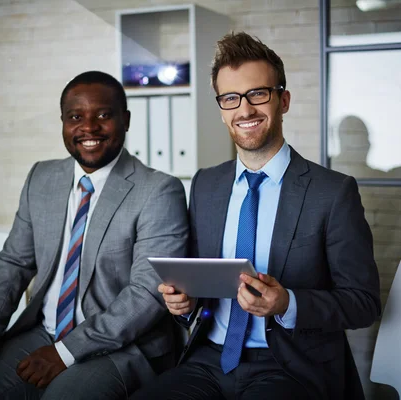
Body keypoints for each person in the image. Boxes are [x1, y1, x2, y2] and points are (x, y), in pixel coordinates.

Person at [131, 32, 381, 400]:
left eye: (258, 94)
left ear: (284, 100)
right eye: (231, 98)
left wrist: (287, 304)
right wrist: (185, 303)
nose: (244, 110)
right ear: (221, 110)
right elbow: (201, 280)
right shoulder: (205, 184)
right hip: (207, 361)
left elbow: (364, 303)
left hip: (289, 367)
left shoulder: (333, 192)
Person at [0, 71, 189, 400]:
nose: (88, 127)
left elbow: (147, 294)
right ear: (62, 122)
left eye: (103, 115)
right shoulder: (41, 178)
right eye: (75, 117)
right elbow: (13, 262)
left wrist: (65, 353)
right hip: (45, 332)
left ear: (125, 120)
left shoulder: (158, 190)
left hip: (125, 347)